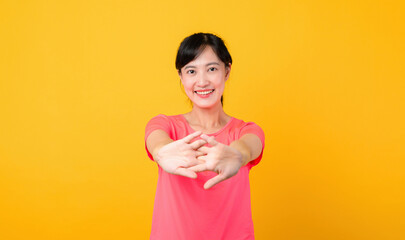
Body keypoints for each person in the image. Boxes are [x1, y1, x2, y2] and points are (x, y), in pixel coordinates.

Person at [145, 32, 265, 240]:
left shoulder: (246, 130)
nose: (202, 81)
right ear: (181, 77)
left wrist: (238, 155)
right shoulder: (165, 125)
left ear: (227, 71)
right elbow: (157, 140)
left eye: (211, 69)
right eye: (191, 71)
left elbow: (249, 145)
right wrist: (161, 152)